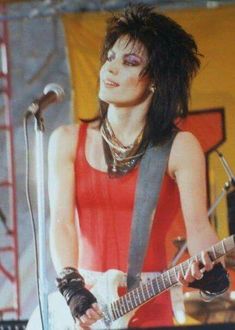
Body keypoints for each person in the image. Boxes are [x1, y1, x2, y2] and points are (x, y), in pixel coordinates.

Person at [48, 4, 229, 328]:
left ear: (156, 80)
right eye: (110, 57)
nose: (111, 69)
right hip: (84, 307)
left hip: (149, 302)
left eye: (130, 62)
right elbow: (61, 224)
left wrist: (211, 270)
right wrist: (71, 285)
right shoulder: (65, 140)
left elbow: (198, 228)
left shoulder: (178, 146)